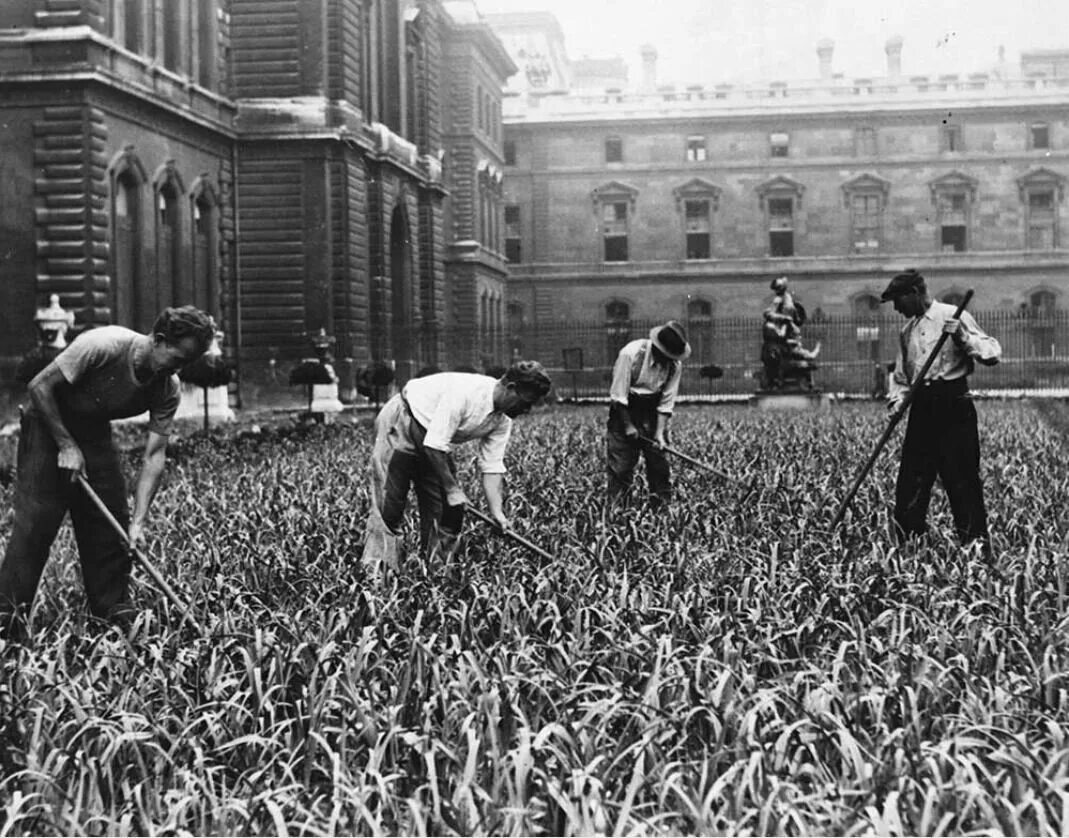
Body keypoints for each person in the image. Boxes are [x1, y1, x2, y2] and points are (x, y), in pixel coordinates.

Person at [0, 306, 215, 639]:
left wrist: (139, 522)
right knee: (34, 528)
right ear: (158, 340)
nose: (179, 370)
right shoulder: (103, 346)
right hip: (45, 425)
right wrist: (67, 446)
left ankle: (113, 626)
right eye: (178, 358)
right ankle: (6, 628)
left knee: (112, 528)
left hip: (93, 432)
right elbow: (39, 387)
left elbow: (154, 456)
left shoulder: (166, 386)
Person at [361, 360, 553, 579]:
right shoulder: (465, 394)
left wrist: (497, 512)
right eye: (525, 402)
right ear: (510, 388)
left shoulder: (502, 419)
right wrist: (453, 489)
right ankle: (377, 576)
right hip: (403, 421)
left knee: (448, 512)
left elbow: (492, 465)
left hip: (433, 439)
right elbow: (434, 445)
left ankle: (437, 576)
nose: (526, 410)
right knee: (390, 505)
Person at [881, 269, 1001, 554]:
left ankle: (976, 551)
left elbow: (992, 353)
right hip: (922, 408)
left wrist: (961, 336)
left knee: (962, 481)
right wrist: (897, 403)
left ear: (914, 293)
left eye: (898, 300)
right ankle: (910, 552)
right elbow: (900, 378)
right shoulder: (907, 331)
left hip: (954, 405)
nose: (897, 308)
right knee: (911, 483)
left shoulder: (953, 315)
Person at [606, 320, 691, 508]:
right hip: (624, 412)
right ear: (658, 349)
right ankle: (618, 512)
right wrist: (628, 426)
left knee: (659, 466)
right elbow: (618, 396)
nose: (669, 361)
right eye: (666, 356)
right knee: (621, 467)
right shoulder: (631, 354)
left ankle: (661, 510)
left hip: (652, 414)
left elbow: (666, 402)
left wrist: (659, 433)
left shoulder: (674, 365)